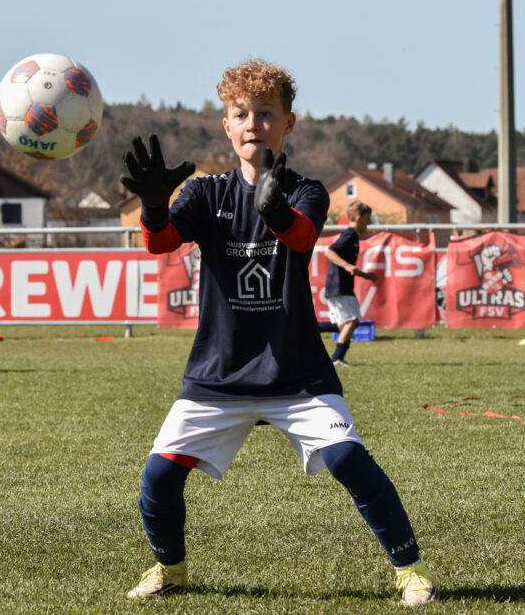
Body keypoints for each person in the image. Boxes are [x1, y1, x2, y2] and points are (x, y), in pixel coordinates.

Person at [120, 59, 439, 606]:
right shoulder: (206, 194)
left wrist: (274, 209)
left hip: (296, 372)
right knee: (159, 477)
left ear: (288, 122)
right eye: (241, 113)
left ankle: (410, 571)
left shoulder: (307, 190)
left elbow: (301, 237)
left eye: (266, 114)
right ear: (226, 124)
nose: (254, 124)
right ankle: (170, 570)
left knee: (349, 460)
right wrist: (153, 206)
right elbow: (160, 243)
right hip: (219, 373)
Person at [322, 200, 377, 367]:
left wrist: (366, 275)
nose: (369, 222)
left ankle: (306, 328)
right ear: (359, 218)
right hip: (339, 286)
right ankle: (336, 358)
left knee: (343, 324)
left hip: (341, 285)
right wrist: (346, 265)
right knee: (352, 321)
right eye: (368, 218)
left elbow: (351, 268)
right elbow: (329, 252)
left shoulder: (353, 236)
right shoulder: (349, 234)